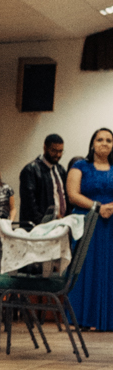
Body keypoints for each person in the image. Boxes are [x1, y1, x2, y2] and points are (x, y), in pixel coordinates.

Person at [66, 128, 113, 330]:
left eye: (109, 140)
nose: (104, 143)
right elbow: (72, 194)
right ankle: (83, 318)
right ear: (92, 143)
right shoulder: (80, 166)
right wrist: (97, 207)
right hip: (86, 222)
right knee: (85, 268)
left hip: (111, 223)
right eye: (100, 139)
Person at [19, 134, 68, 227]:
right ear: (45, 148)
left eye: (60, 151)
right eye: (54, 151)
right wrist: (45, 222)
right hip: (39, 227)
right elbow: (29, 205)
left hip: (61, 224)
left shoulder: (61, 170)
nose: (57, 155)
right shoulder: (31, 170)